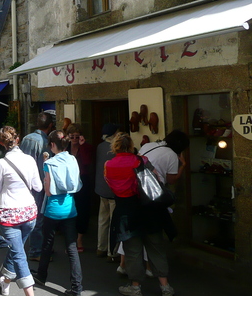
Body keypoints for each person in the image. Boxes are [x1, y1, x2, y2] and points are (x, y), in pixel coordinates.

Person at [104, 132, 177, 296]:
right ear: (131, 146)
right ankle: (165, 286)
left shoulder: (109, 165)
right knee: (156, 247)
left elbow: (111, 185)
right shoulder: (141, 161)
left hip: (125, 211)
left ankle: (135, 287)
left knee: (133, 251)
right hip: (149, 209)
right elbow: (156, 180)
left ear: (114, 147)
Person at [0, 126, 42, 296]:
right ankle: (5, 281)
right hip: (29, 213)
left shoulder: (1, 164)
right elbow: (38, 186)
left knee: (18, 253)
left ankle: (30, 295)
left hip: (8, 214)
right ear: (17, 139)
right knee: (18, 250)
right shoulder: (30, 160)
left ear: (1, 143)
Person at [35, 130, 84, 295]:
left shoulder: (49, 164)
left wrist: (45, 169)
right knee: (72, 248)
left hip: (53, 210)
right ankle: (77, 287)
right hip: (70, 208)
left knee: (47, 244)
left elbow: (48, 192)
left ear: (53, 145)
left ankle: (41, 276)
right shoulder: (73, 159)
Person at [19, 111, 55, 261]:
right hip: (38, 184)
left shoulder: (27, 138)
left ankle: (26, 248)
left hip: (23, 182)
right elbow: (44, 167)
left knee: (26, 216)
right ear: (51, 125)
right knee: (38, 217)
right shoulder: (44, 142)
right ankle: (36, 251)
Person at [66, 123, 95, 252]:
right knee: (69, 211)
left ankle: (79, 239)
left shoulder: (87, 147)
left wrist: (82, 147)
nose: (74, 139)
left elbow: (87, 162)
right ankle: (71, 240)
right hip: (68, 181)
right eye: (72, 137)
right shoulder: (65, 147)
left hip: (82, 181)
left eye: (77, 137)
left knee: (82, 210)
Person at [94, 123, 120, 260]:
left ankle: (101, 247)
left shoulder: (100, 146)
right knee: (113, 221)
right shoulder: (115, 148)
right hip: (113, 190)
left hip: (101, 187)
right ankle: (111, 252)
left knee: (103, 219)